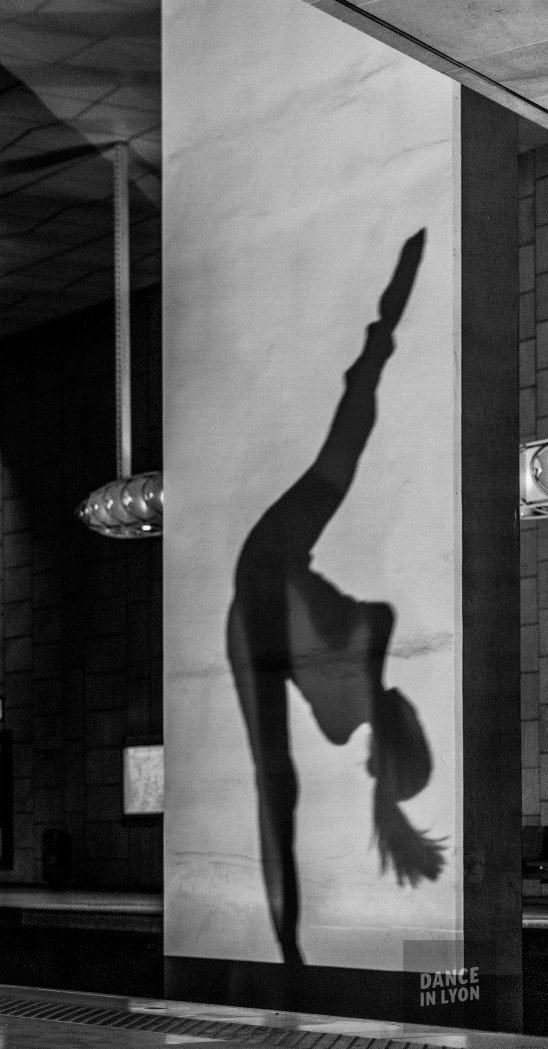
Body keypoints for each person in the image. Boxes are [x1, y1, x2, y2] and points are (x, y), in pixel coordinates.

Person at [226, 230, 441, 968]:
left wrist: (288, 950)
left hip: (261, 595)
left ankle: (286, 947)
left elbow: (273, 789)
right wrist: (385, 329)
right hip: (276, 569)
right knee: (353, 419)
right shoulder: (373, 635)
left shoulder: (336, 633)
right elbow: (351, 422)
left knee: (274, 781)